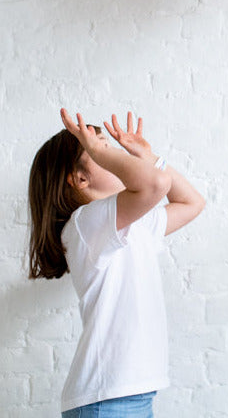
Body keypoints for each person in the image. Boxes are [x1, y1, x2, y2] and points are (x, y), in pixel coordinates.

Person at [28, 110, 206, 417]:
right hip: (108, 400)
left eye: (107, 146)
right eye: (101, 149)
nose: (112, 152)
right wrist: (108, 152)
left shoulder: (133, 225)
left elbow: (192, 203)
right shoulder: (85, 224)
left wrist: (150, 156)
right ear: (80, 178)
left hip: (127, 395)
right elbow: (155, 184)